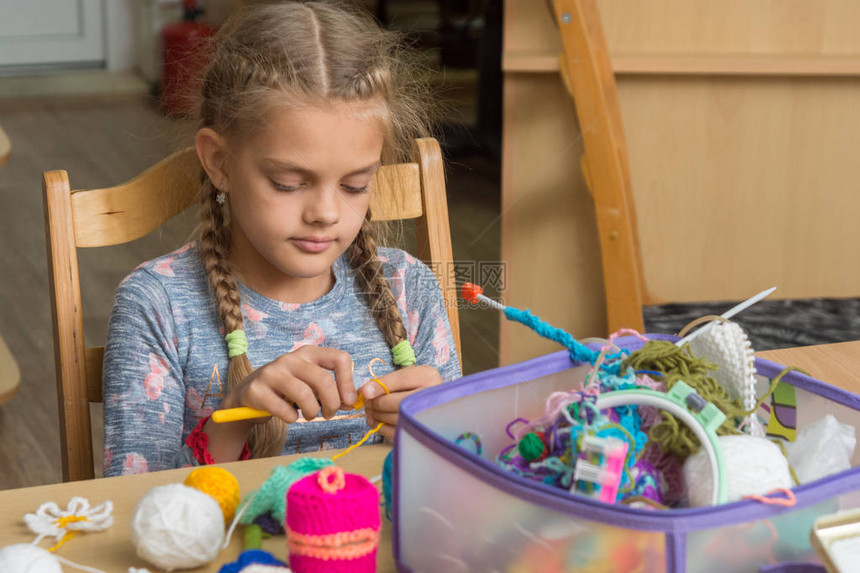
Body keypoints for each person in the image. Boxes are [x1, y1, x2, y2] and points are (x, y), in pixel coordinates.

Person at [102, 1, 461, 477]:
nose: (327, 213)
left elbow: (462, 473)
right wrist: (233, 420)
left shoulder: (408, 288)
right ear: (219, 162)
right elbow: (136, 511)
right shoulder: (158, 305)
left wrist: (441, 433)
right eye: (289, 184)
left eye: (355, 185)